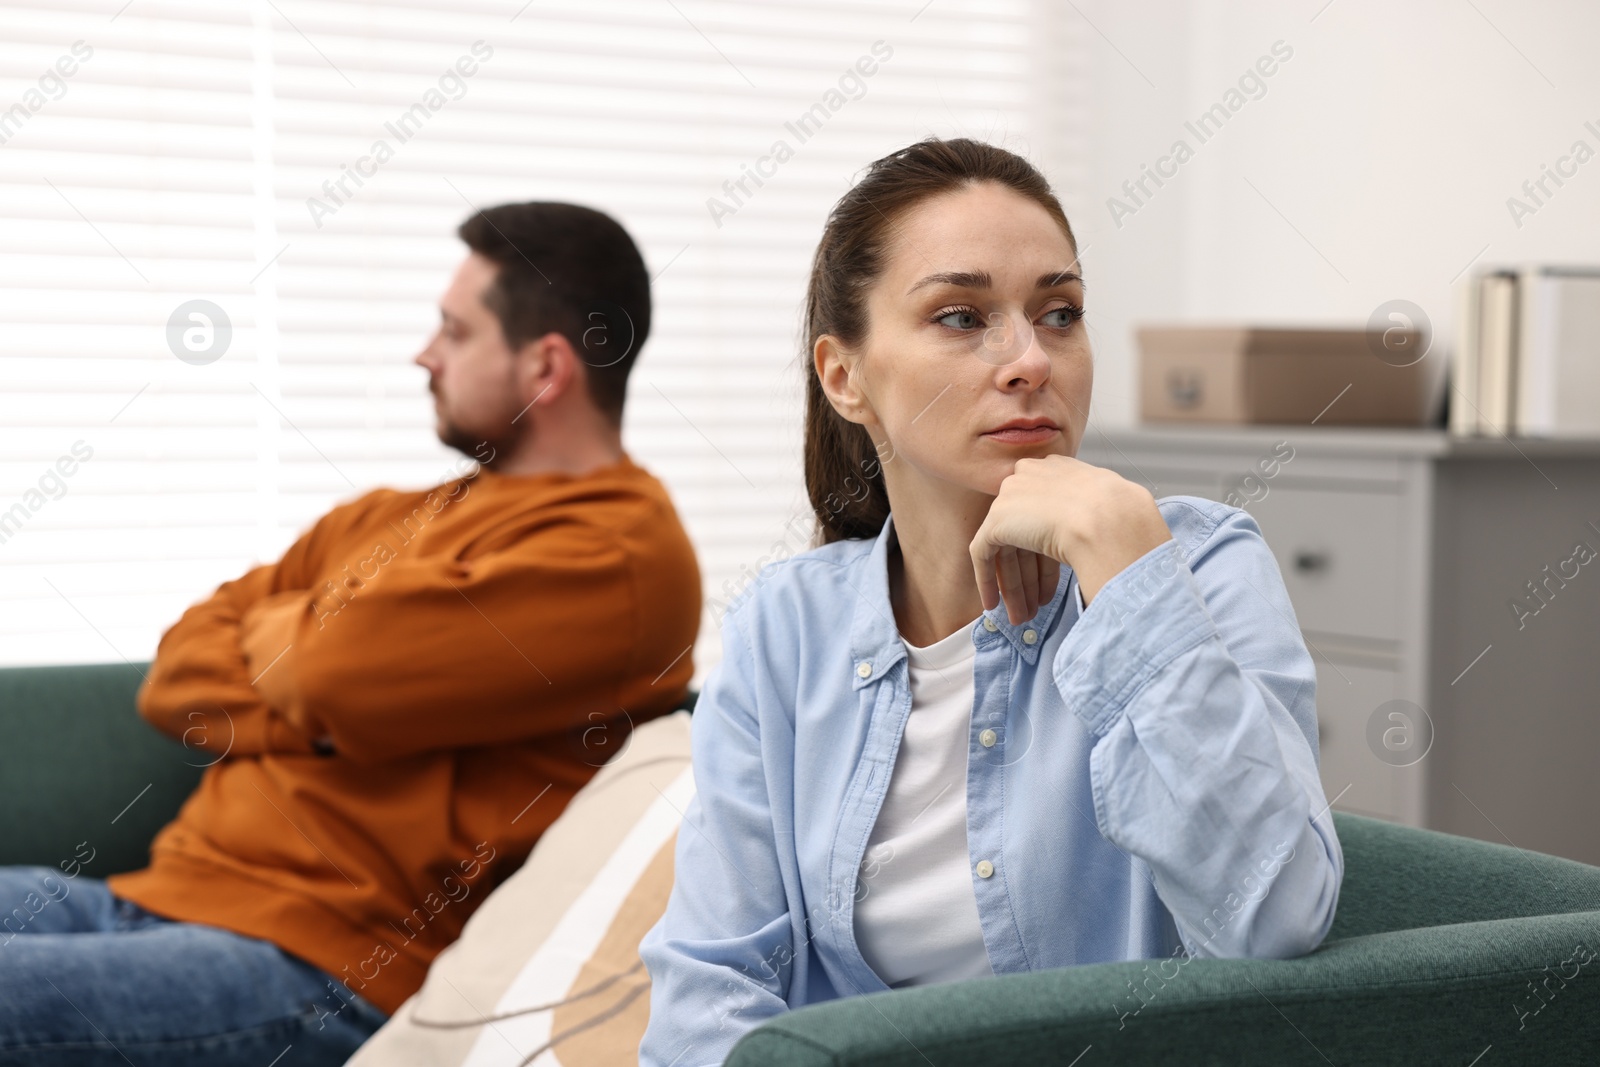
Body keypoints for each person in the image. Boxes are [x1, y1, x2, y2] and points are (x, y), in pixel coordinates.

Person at [638, 138, 1342, 1065]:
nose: (1028, 360)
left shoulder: (1198, 567)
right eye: (962, 316)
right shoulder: (785, 623)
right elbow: (710, 986)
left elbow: (1277, 915)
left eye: (1061, 313)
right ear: (845, 376)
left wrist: (1130, 575)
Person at [0, 202, 702, 1066]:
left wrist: (314, 675)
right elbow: (178, 671)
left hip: (321, 969)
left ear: (546, 366)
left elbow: (330, 673)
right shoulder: (382, 518)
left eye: (454, 330)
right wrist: (319, 702)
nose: (424, 353)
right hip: (151, 900)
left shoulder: (618, 555)